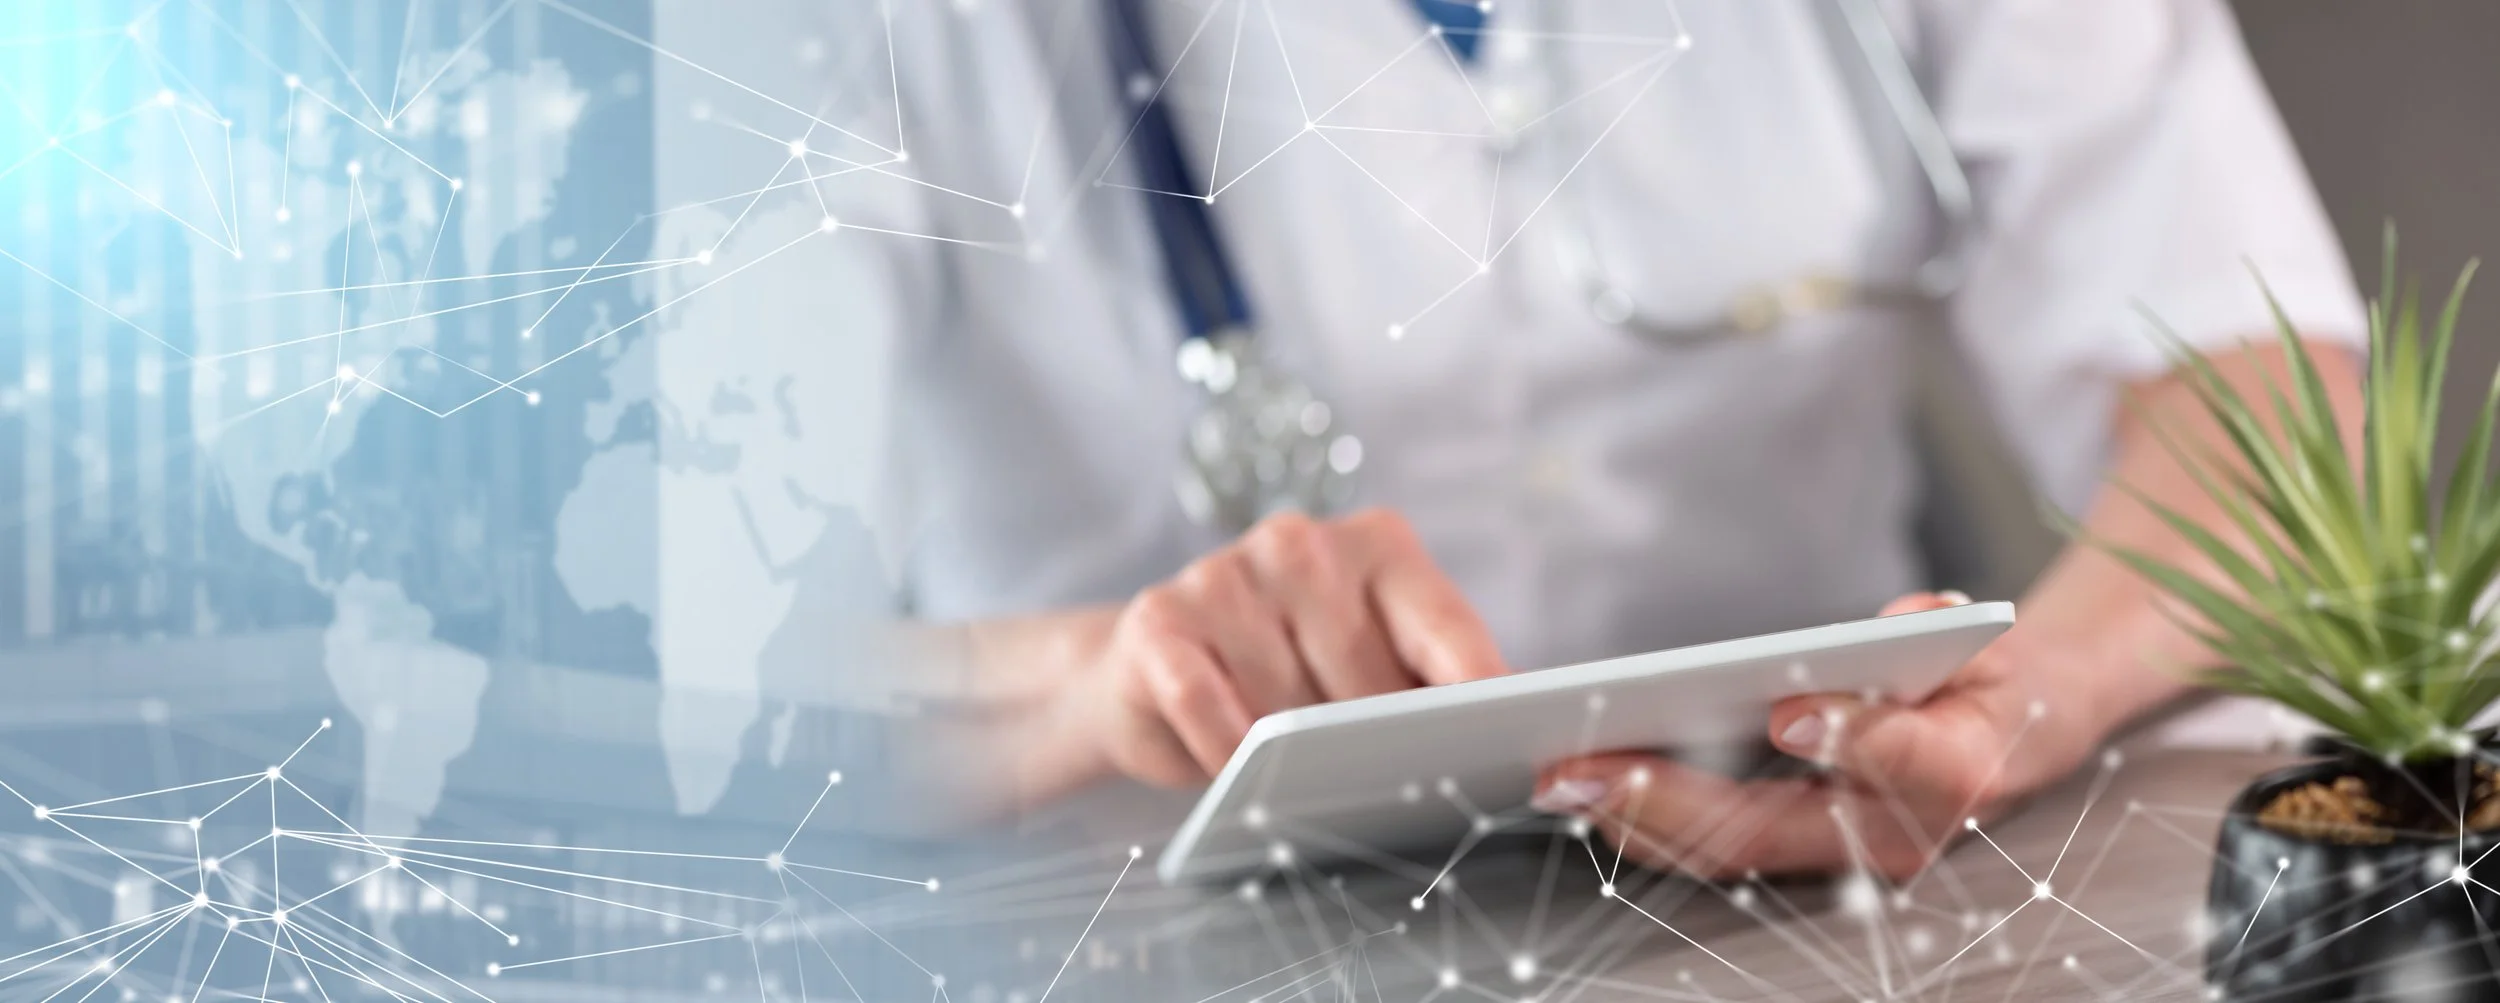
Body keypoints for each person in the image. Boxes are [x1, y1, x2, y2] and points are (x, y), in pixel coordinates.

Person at [778, 0, 2369, 878]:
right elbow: (587, 661)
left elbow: (2277, 425)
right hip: (1130, 920)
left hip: (1827, 901)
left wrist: (2025, 702)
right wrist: (1092, 677)